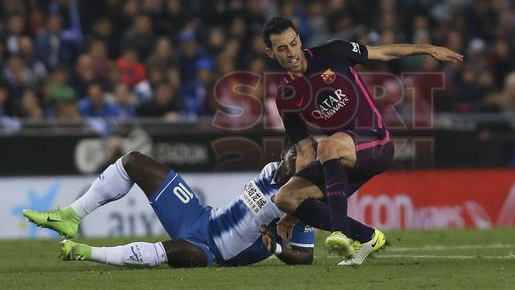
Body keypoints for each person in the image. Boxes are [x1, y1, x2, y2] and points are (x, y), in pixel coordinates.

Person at [263, 16, 462, 265]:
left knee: (327, 145)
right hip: (338, 157)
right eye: (282, 48)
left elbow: (383, 53)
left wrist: (428, 49)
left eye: (293, 43)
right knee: (285, 197)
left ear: (299, 39)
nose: (291, 52)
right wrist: (297, 209)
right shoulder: (286, 97)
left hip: (375, 143)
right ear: (270, 52)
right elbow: (304, 151)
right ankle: (368, 237)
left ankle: (340, 233)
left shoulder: (333, 52)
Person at [22, 147, 314, 268]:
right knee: (134, 161)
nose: (292, 158)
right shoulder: (270, 169)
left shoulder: (303, 202)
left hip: (211, 253)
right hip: (200, 216)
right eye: (294, 152)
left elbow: (306, 256)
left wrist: (276, 250)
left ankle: (86, 253)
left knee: (176, 252)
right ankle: (71, 216)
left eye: (301, 158)